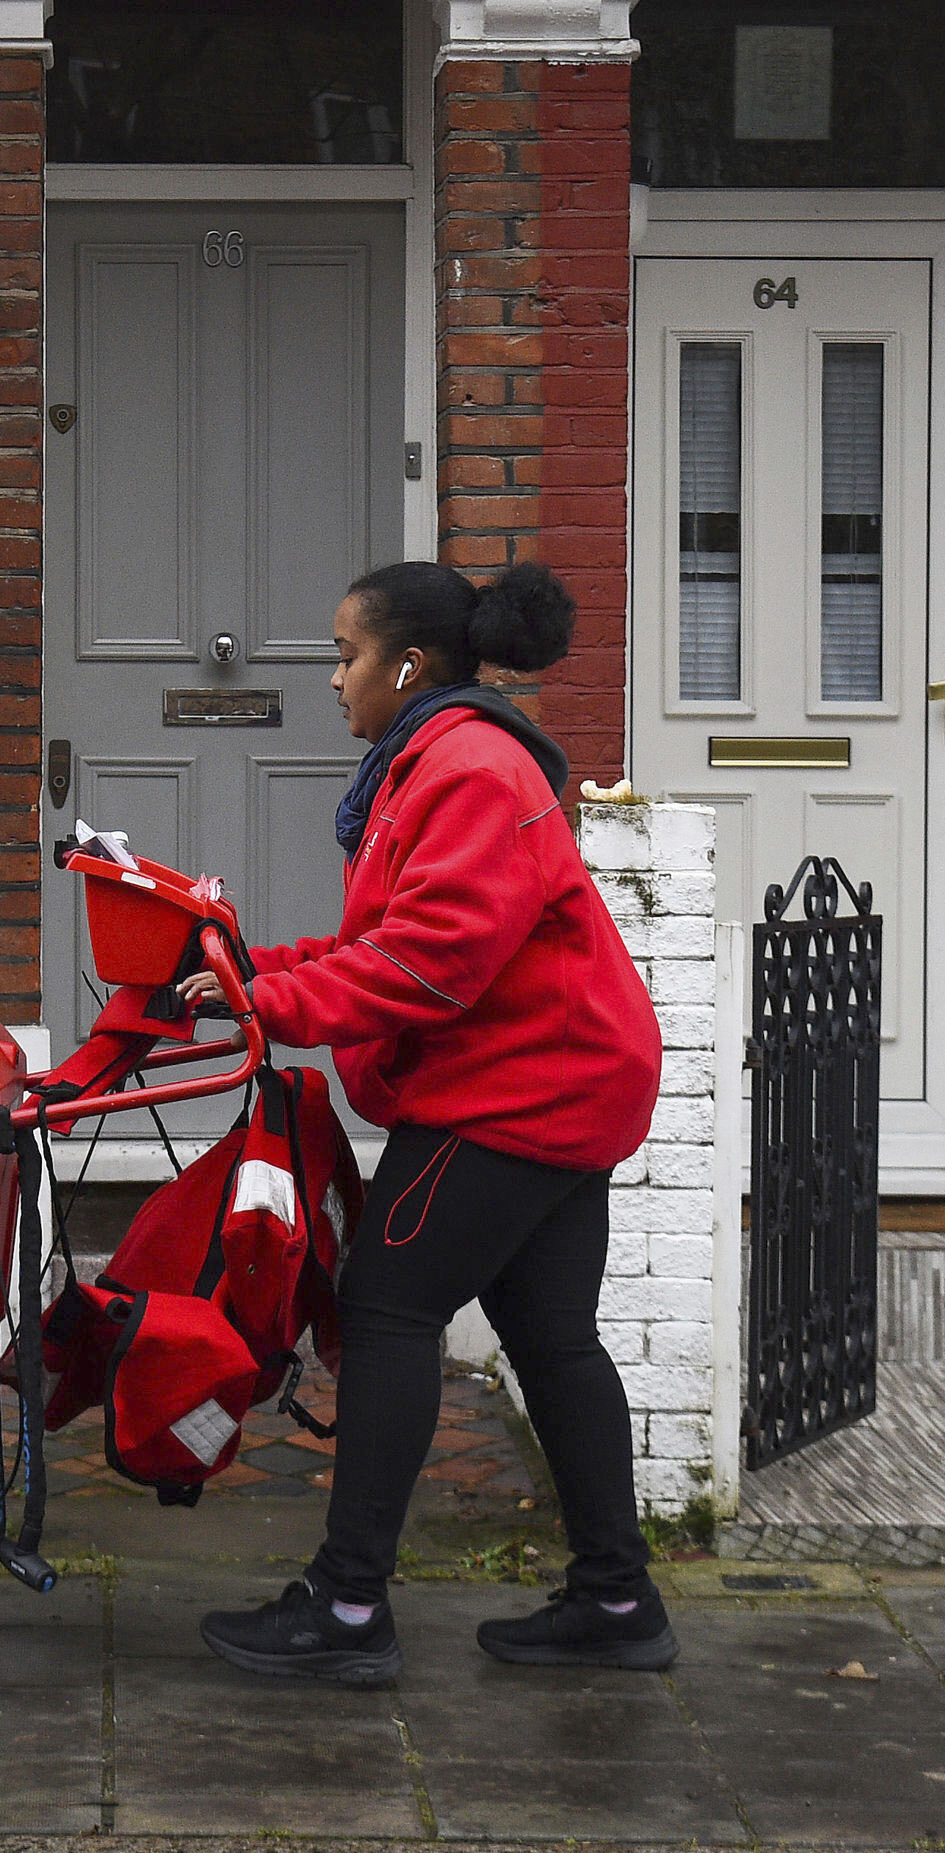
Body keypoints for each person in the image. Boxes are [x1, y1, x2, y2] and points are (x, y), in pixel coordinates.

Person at [182, 558, 672, 1685]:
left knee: (388, 1306)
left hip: (518, 1090)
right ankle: (614, 1595)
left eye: (343, 657)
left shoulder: (467, 768)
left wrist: (274, 1000)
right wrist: (258, 969)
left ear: (407, 664)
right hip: (561, 1074)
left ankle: (348, 1606)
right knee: (551, 1336)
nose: (334, 680)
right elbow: (388, 942)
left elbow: (430, 960)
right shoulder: (432, 759)